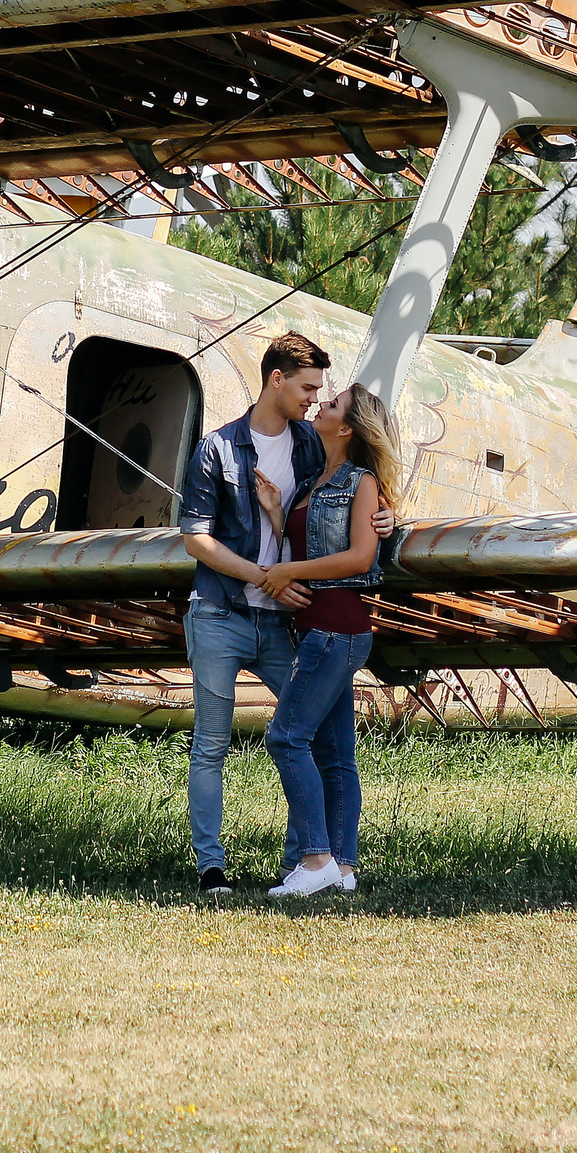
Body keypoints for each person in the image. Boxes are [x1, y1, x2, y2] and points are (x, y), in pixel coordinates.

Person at [176, 333, 390, 897]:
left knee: (307, 737)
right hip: (220, 612)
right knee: (212, 744)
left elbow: (353, 491)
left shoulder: (311, 447)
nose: (316, 400)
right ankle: (212, 869)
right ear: (277, 380)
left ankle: (311, 861)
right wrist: (264, 575)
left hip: (287, 621)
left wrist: (387, 519)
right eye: (309, 388)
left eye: (324, 394)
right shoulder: (217, 448)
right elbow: (196, 537)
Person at [253, 382, 405, 899]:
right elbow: (313, 539)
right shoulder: (314, 479)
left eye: (333, 403)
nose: (322, 404)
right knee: (336, 752)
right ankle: (342, 867)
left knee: (286, 737)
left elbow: (361, 558)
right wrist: (277, 513)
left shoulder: (361, 483)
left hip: (337, 625)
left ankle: (314, 857)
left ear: (347, 428)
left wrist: (287, 569)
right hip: (319, 628)